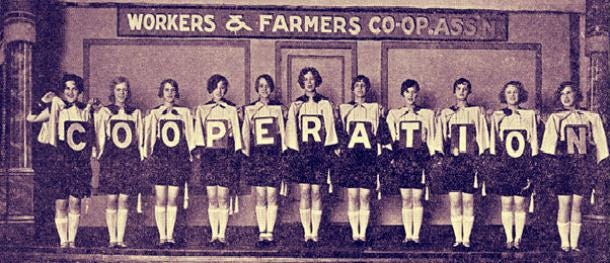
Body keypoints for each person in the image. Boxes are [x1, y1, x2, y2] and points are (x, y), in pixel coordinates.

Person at [26, 74, 95, 248]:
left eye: (74, 88)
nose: (71, 92)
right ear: (63, 91)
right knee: (61, 202)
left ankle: (72, 241)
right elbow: (31, 118)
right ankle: (63, 241)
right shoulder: (55, 108)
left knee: (75, 201)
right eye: (67, 88)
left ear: (79, 91)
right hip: (59, 159)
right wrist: (43, 101)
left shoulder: (85, 111)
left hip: (79, 161)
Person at [541, 81, 608, 252]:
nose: (566, 97)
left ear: (576, 95)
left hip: (583, 166)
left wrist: (598, 165)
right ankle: (565, 243)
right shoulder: (555, 118)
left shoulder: (591, 117)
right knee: (564, 204)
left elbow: (601, 145)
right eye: (563, 94)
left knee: (577, 204)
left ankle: (575, 244)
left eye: (569, 93)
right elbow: (548, 147)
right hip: (563, 166)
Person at [285, 67, 338, 247]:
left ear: (317, 81)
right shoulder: (296, 105)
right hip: (303, 155)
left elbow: (330, 130)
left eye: (312, 79)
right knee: (304, 192)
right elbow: (291, 132)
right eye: (306, 79)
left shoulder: (325, 104)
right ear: (302, 82)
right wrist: (294, 153)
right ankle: (306, 232)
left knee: (316, 192)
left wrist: (329, 151)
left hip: (319, 154)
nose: (309, 82)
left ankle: (314, 233)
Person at [435, 78, 489, 250]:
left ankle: (466, 239)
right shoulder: (446, 113)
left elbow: (482, 137)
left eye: (465, 89)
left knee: (468, 201)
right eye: (458, 88)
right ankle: (458, 238)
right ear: (454, 91)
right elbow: (440, 139)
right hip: (453, 162)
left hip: (469, 162)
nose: (461, 92)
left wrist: (480, 158)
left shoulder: (476, 112)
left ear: (469, 92)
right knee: (455, 201)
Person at [93, 77, 145, 248]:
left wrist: (140, 156)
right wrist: (99, 154)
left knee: (124, 199)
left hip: (129, 159)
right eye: (118, 90)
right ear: (113, 92)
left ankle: (120, 239)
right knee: (112, 198)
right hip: (112, 159)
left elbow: (139, 138)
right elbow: (100, 135)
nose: (122, 93)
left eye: (124, 90)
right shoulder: (105, 112)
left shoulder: (135, 113)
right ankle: (111, 238)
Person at [144, 79, 195, 248]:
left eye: (173, 90)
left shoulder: (185, 113)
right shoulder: (155, 113)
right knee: (160, 198)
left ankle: (170, 235)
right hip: (160, 157)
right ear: (161, 92)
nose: (170, 93)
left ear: (176, 92)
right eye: (166, 90)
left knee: (173, 198)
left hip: (178, 157)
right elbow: (149, 136)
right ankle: (161, 235)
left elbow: (190, 135)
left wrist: (190, 155)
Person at [385, 79, 437, 246]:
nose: (411, 95)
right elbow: (391, 139)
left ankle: (416, 235)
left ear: (417, 94)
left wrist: (429, 156)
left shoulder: (427, 115)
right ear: (402, 94)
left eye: (414, 92)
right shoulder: (394, 114)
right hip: (403, 159)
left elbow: (432, 139)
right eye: (407, 92)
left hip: (419, 159)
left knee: (417, 197)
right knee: (406, 198)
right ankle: (408, 235)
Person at [193, 74, 243, 248]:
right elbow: (198, 133)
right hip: (209, 156)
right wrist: (199, 151)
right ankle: (214, 234)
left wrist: (237, 152)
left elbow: (236, 133)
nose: (219, 91)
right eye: (216, 87)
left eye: (222, 87)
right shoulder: (202, 109)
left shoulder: (231, 109)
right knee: (212, 196)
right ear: (210, 89)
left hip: (226, 155)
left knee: (223, 196)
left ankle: (222, 235)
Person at [489, 81, 539, 250]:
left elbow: (533, 141)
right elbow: (494, 142)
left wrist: (532, 164)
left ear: (521, 95)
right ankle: (509, 238)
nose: (512, 95)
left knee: (520, 203)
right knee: (506, 203)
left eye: (515, 92)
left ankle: (518, 238)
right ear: (504, 95)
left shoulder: (529, 115)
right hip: (505, 165)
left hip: (522, 165)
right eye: (509, 92)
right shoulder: (497, 116)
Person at [336, 75, 384, 246]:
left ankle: (362, 233)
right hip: (351, 158)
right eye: (357, 85)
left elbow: (380, 133)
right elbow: (339, 133)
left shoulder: (374, 109)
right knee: (352, 195)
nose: (360, 89)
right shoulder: (344, 109)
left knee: (365, 195)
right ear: (352, 89)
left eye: (363, 86)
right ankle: (354, 232)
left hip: (367, 158)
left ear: (367, 89)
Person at [241, 74, 286, 247]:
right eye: (261, 86)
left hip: (274, 155)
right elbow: (246, 135)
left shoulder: (279, 110)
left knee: (272, 195)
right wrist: (246, 156)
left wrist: (284, 154)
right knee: (261, 195)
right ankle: (262, 232)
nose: (264, 89)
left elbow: (284, 133)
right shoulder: (250, 110)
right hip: (257, 156)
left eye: (267, 86)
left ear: (271, 88)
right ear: (257, 89)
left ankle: (270, 232)